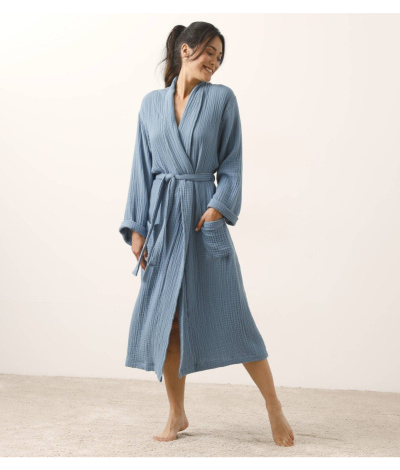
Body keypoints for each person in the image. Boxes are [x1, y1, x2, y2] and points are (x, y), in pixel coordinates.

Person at [119, 21, 294, 447]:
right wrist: (137, 227)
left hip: (202, 219)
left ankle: (274, 405)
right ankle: (176, 413)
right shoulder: (150, 105)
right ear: (185, 49)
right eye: (209, 52)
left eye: (219, 56)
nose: (214, 61)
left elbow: (232, 164)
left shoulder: (221, 100)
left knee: (236, 318)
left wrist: (218, 207)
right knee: (168, 322)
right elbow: (141, 169)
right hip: (163, 225)